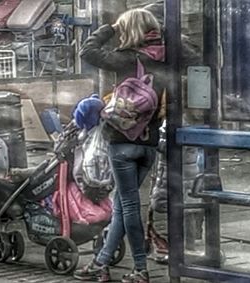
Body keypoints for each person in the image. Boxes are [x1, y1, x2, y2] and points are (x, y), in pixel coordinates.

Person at [73, 8, 166, 283]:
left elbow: (87, 51)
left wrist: (111, 27)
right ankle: (101, 263)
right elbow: (193, 54)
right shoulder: (164, 59)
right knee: (123, 206)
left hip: (122, 143)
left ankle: (140, 269)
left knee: (127, 206)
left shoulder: (126, 59)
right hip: (149, 143)